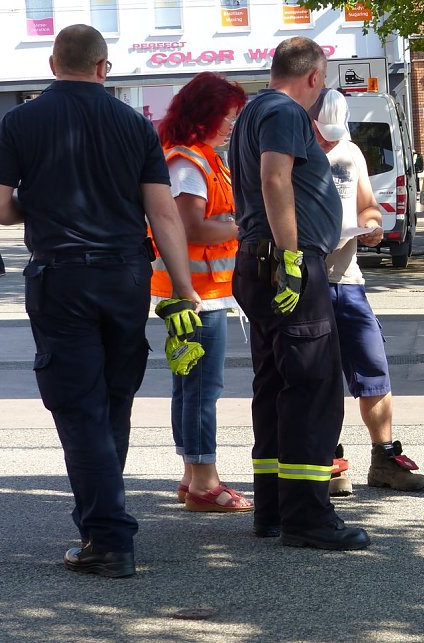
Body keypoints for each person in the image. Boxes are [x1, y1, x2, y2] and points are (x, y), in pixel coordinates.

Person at [0, 24, 198, 577]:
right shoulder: (135, 125)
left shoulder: (19, 121)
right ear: (103, 68)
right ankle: (101, 526)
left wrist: (36, 206)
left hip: (61, 279)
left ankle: (107, 538)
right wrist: (183, 288)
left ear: (54, 65)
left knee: (79, 408)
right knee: (113, 401)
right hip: (126, 277)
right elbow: (163, 213)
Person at [228, 36, 370, 550]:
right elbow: (274, 177)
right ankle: (308, 518)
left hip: (258, 261)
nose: (324, 88)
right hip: (285, 262)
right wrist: (291, 257)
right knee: (312, 388)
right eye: (324, 79)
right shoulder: (285, 111)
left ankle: (273, 509)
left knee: (275, 386)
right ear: (312, 76)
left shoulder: (251, 112)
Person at [310, 89, 424, 494]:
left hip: (349, 279)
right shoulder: (293, 153)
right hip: (309, 279)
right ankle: (327, 458)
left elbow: (368, 204)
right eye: (322, 133)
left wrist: (373, 223)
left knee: (374, 368)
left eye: (334, 133)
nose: (329, 140)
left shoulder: (351, 152)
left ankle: (384, 459)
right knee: (320, 377)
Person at [150, 72, 252, 513]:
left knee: (190, 386)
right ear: (207, 115)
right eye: (228, 117)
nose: (232, 124)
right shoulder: (189, 163)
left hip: (194, 292)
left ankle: (193, 475)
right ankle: (203, 482)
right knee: (202, 387)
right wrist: (242, 229)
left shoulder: (201, 158)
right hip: (195, 295)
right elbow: (189, 226)